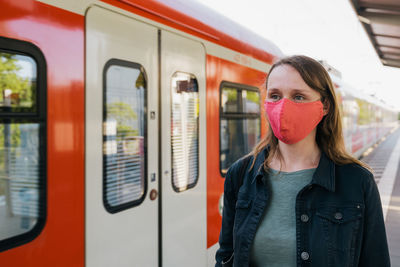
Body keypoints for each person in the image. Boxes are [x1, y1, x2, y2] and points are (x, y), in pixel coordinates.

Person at [215, 55, 390, 267]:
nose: (283, 107)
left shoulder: (358, 181)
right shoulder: (241, 174)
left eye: (298, 97)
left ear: (324, 106)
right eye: (275, 96)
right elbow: (226, 256)